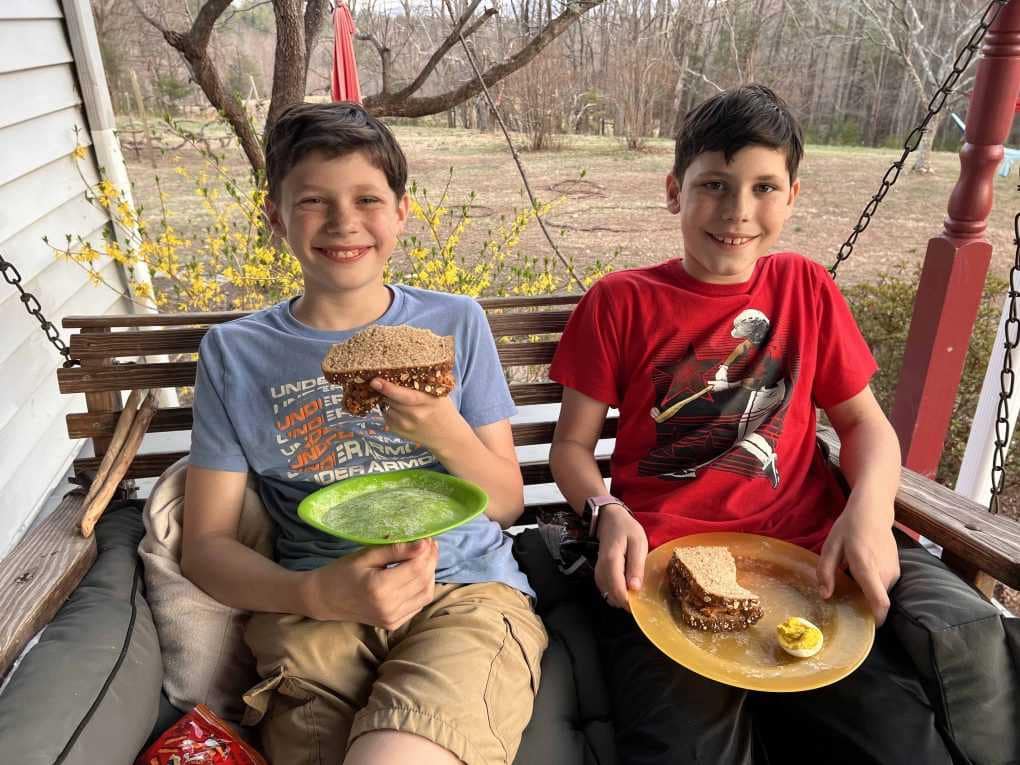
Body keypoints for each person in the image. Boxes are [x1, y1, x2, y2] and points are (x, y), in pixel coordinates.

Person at [548, 84, 956, 764]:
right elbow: (571, 447)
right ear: (674, 190)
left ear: (792, 196)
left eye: (764, 187)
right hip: (662, 572)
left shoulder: (806, 288)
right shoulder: (620, 301)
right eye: (715, 185)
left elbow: (865, 428)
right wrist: (605, 507)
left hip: (806, 567)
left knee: (901, 741)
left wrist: (871, 507)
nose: (738, 212)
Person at [181, 102, 547, 765]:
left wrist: (442, 428)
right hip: (313, 612)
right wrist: (315, 594)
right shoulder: (234, 353)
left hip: (461, 591)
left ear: (402, 211)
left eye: (367, 198)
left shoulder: (456, 323)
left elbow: (506, 501)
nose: (344, 221)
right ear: (275, 217)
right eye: (314, 201)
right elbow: (204, 546)